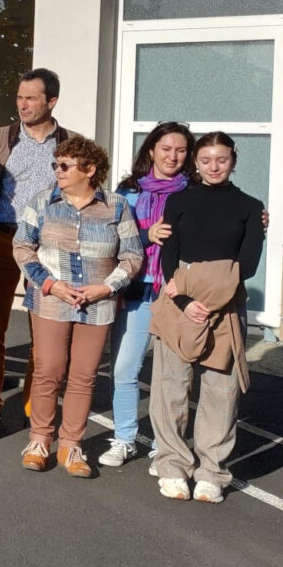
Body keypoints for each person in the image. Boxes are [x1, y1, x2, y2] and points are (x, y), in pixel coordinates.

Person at [14, 136, 140, 478]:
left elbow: (132, 256)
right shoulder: (41, 202)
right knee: (48, 371)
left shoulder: (116, 207)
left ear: (90, 169)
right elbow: (22, 248)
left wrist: (105, 287)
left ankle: (71, 446)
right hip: (51, 301)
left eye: (65, 165)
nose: (58, 171)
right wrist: (52, 284)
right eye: (56, 164)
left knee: (83, 378)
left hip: (98, 306)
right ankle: (40, 441)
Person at [148, 131, 264, 503]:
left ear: (233, 160)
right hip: (180, 301)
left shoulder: (250, 206)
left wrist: (209, 299)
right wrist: (183, 300)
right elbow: (169, 255)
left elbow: (246, 265)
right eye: (206, 159)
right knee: (171, 387)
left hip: (227, 307)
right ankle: (172, 465)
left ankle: (212, 470)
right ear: (195, 162)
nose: (214, 167)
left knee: (221, 389)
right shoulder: (179, 201)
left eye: (222, 159)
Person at [0, 68, 83, 433]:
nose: (23, 105)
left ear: (52, 101)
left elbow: (87, 195)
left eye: (31, 98)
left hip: (47, 248)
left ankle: (37, 408)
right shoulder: (1, 138)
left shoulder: (71, 143)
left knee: (43, 333)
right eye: (20, 97)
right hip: (3, 241)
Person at [99, 122, 194, 468]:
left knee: (171, 376)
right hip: (137, 290)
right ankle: (125, 438)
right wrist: (144, 232)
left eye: (181, 150)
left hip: (177, 294)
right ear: (151, 150)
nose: (173, 156)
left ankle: (164, 446)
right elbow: (109, 234)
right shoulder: (128, 191)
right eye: (166, 148)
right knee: (125, 368)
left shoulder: (196, 192)